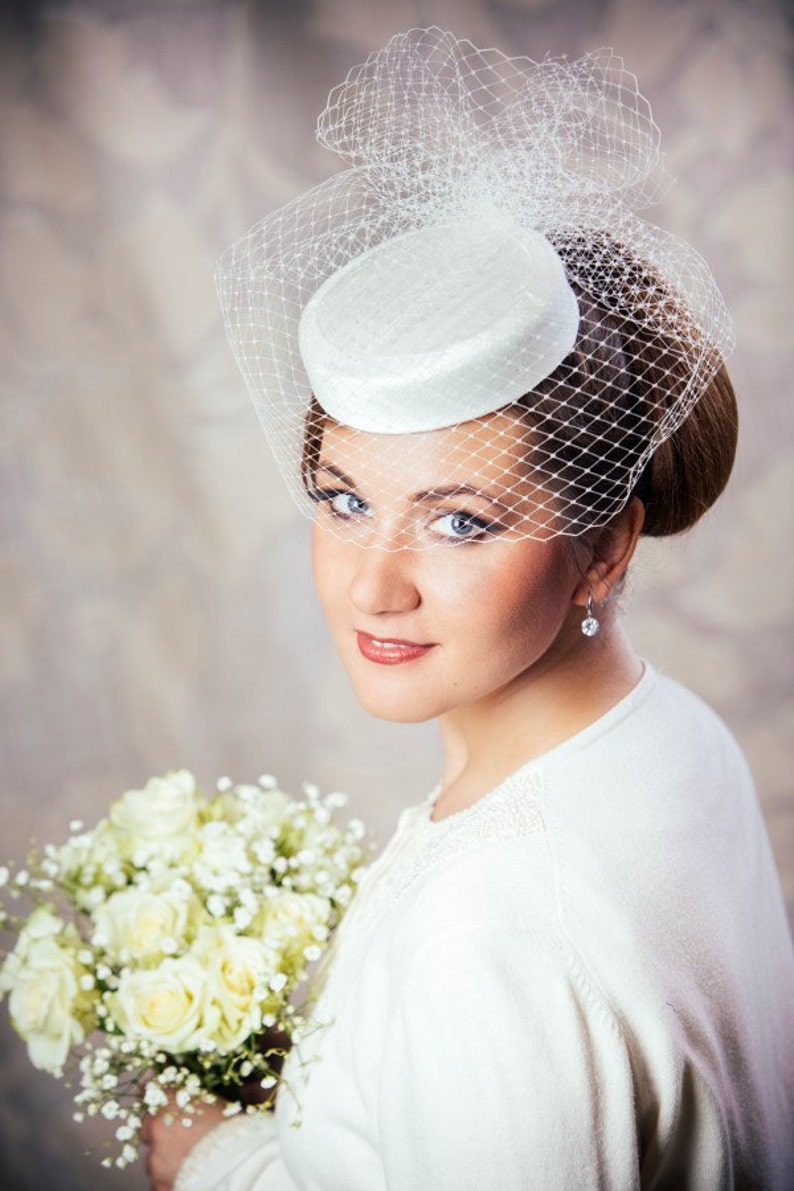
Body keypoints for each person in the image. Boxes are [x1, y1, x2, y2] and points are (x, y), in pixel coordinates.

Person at [143, 30, 794, 1191]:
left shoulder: (489, 939)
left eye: (460, 522)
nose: (371, 583)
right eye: (343, 500)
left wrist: (220, 1164)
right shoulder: (670, 732)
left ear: (602, 549)